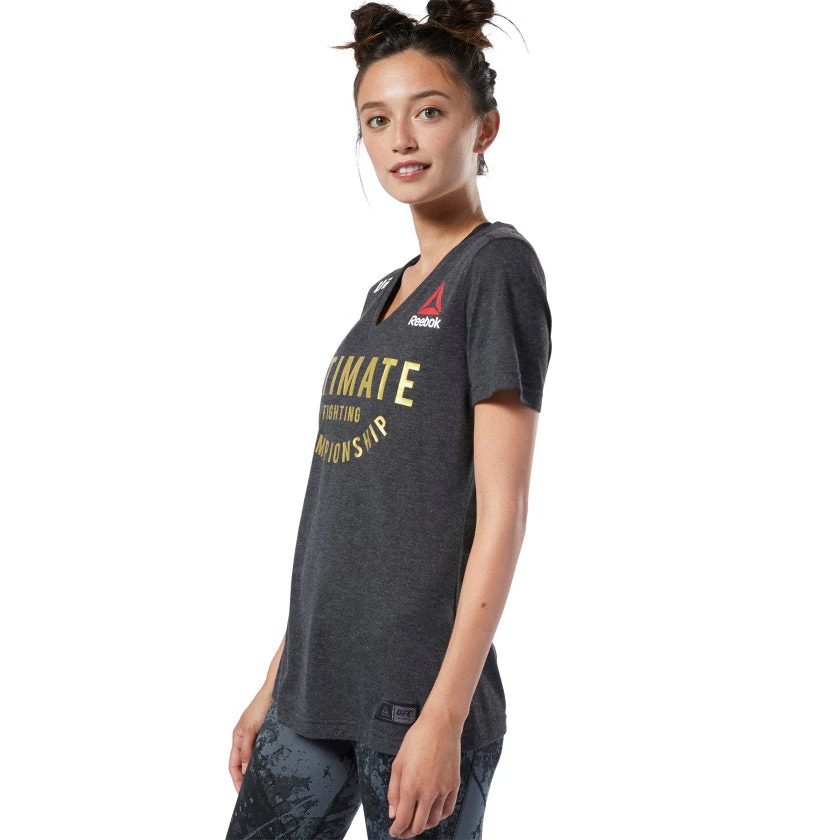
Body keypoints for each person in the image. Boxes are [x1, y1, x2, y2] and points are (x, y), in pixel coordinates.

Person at [224, 2, 552, 838]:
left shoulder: (496, 269)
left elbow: (504, 511)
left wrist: (445, 716)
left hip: (415, 700)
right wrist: (277, 679)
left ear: (485, 128)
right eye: (377, 119)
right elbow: (346, 519)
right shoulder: (386, 291)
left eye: (428, 112)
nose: (401, 139)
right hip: (314, 689)